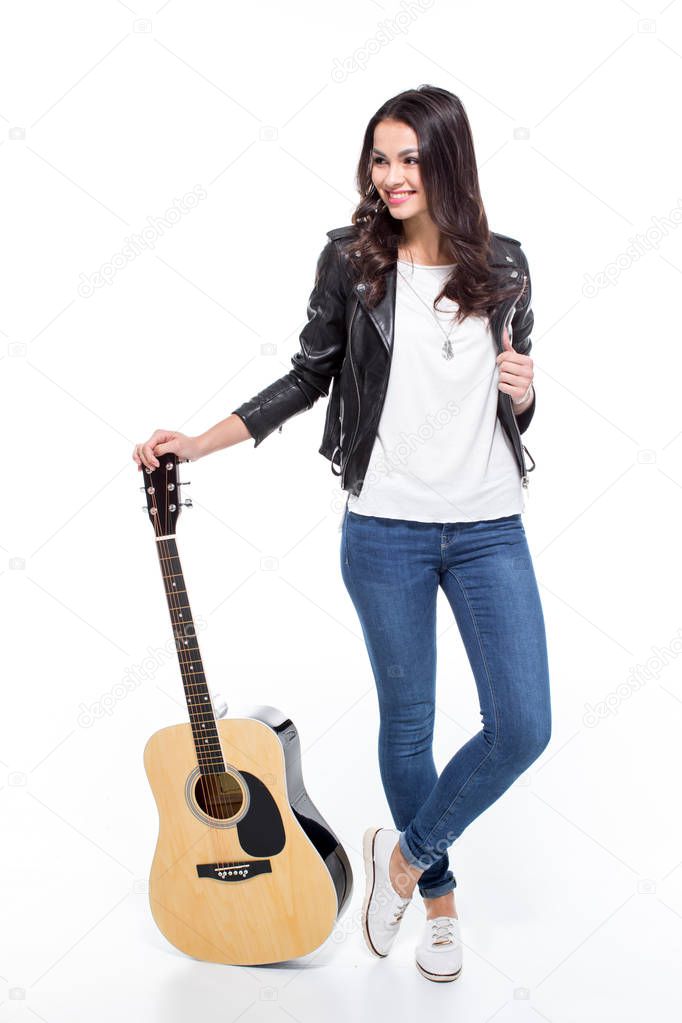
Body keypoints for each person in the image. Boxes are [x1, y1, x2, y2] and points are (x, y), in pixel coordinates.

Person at [133, 84, 551, 984]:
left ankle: (401, 859)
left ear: (449, 162)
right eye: (380, 158)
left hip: (488, 530)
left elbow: (514, 399)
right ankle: (437, 902)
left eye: (410, 158)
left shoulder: (507, 267)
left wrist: (523, 394)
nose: (392, 177)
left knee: (522, 724)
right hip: (386, 532)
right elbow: (307, 375)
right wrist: (200, 440)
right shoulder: (352, 262)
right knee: (408, 727)